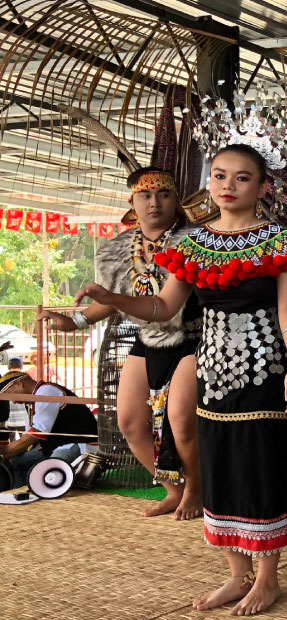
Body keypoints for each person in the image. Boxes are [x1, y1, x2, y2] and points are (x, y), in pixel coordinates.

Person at [76, 143, 287, 617]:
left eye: (242, 178)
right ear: (209, 183)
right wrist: (114, 298)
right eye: (220, 175)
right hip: (211, 368)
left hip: (264, 367)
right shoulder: (191, 245)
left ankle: (267, 580)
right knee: (217, 462)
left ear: (263, 186)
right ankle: (236, 574)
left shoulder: (281, 242)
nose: (228, 186)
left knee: (258, 463)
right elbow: (162, 308)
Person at [40, 167, 203, 520]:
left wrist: (109, 299)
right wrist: (76, 321)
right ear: (132, 202)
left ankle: (197, 489)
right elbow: (116, 299)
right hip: (149, 339)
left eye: (163, 195)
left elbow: (157, 303)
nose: (154, 203)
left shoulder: (195, 241)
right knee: (129, 422)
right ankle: (174, 490)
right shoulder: (119, 249)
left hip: (195, 336)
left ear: (176, 201)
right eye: (145, 196)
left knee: (181, 421)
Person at [0, 370, 96, 490]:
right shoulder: (31, 401)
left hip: (76, 443)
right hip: (55, 446)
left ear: (18, 384)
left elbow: (38, 432)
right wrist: (5, 456)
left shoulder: (46, 391)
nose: (13, 401)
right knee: (13, 462)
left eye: (10, 395)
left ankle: (40, 496)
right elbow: (30, 437)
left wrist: (7, 450)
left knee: (49, 474)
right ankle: (20, 495)